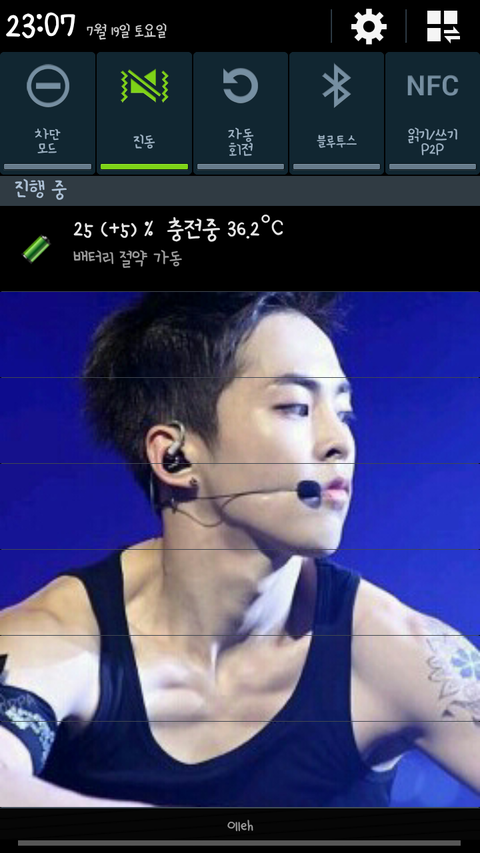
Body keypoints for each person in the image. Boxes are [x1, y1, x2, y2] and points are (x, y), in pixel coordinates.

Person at [1, 291, 479, 807]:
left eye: (344, 412)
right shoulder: (60, 636)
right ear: (175, 456)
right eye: (296, 407)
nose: (340, 442)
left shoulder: (399, 650)